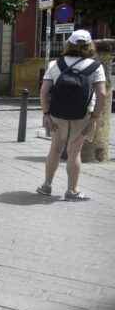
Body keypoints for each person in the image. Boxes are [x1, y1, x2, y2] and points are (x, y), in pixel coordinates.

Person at [37, 30, 107, 201]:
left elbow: (44, 91)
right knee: (74, 152)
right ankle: (72, 191)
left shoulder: (56, 64)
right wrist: (95, 118)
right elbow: (102, 94)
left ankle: (46, 186)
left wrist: (46, 113)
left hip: (57, 114)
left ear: (69, 44)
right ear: (89, 45)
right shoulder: (95, 66)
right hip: (82, 115)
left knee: (55, 149)